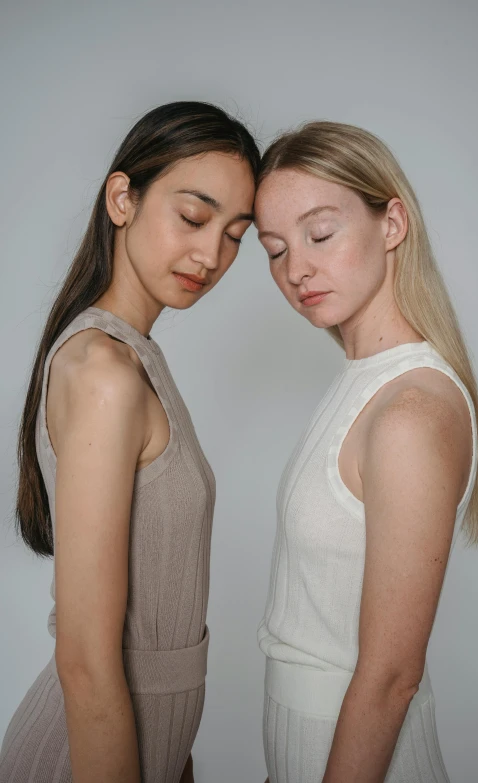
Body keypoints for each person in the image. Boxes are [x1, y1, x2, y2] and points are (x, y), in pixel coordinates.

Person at [0, 101, 259, 783]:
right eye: (195, 217)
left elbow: (158, 631)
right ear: (123, 198)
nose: (212, 255)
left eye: (236, 233)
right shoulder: (104, 373)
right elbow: (87, 662)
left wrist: (174, 758)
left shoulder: (136, 357)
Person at [255, 121, 478, 783]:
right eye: (274, 249)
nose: (295, 268)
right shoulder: (363, 384)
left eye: (320, 233)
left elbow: (390, 676)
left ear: (392, 222)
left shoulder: (409, 412)